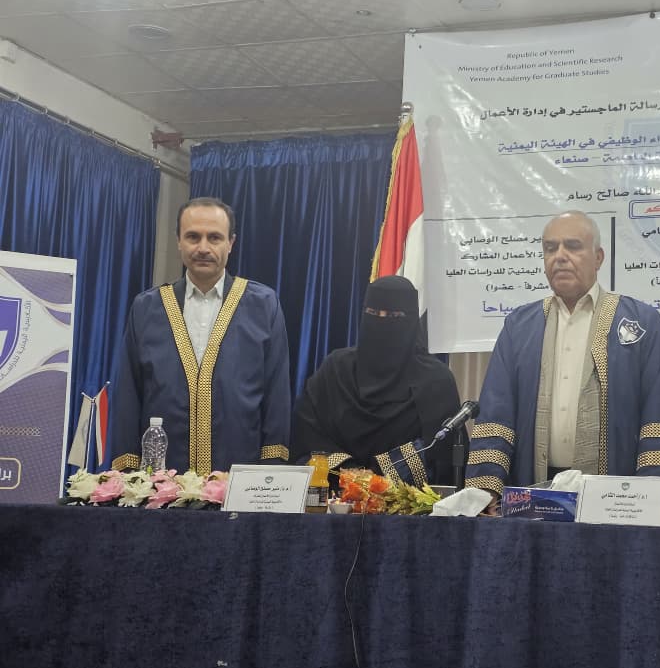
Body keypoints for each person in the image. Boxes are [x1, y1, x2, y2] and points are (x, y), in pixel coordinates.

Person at [465, 210, 660, 495]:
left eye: (573, 246)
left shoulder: (642, 322)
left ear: (598, 258)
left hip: (617, 497)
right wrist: (485, 492)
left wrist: (651, 497)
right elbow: (496, 415)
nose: (560, 256)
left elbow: (658, 417)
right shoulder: (519, 326)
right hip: (532, 493)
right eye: (550, 248)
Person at [110, 197, 291, 474]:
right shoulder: (147, 307)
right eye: (193, 237)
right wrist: (128, 474)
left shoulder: (263, 305)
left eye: (214, 237)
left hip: (239, 477)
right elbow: (128, 394)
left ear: (230, 243)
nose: (203, 248)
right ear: (179, 241)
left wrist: (271, 470)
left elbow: (276, 393)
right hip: (161, 481)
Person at [289, 275, 463, 486]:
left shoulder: (435, 380)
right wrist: (353, 476)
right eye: (372, 313)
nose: (381, 322)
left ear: (410, 321)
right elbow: (308, 432)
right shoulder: (336, 369)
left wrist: (377, 481)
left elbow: (439, 451)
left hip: (406, 499)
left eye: (393, 315)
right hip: (336, 494)